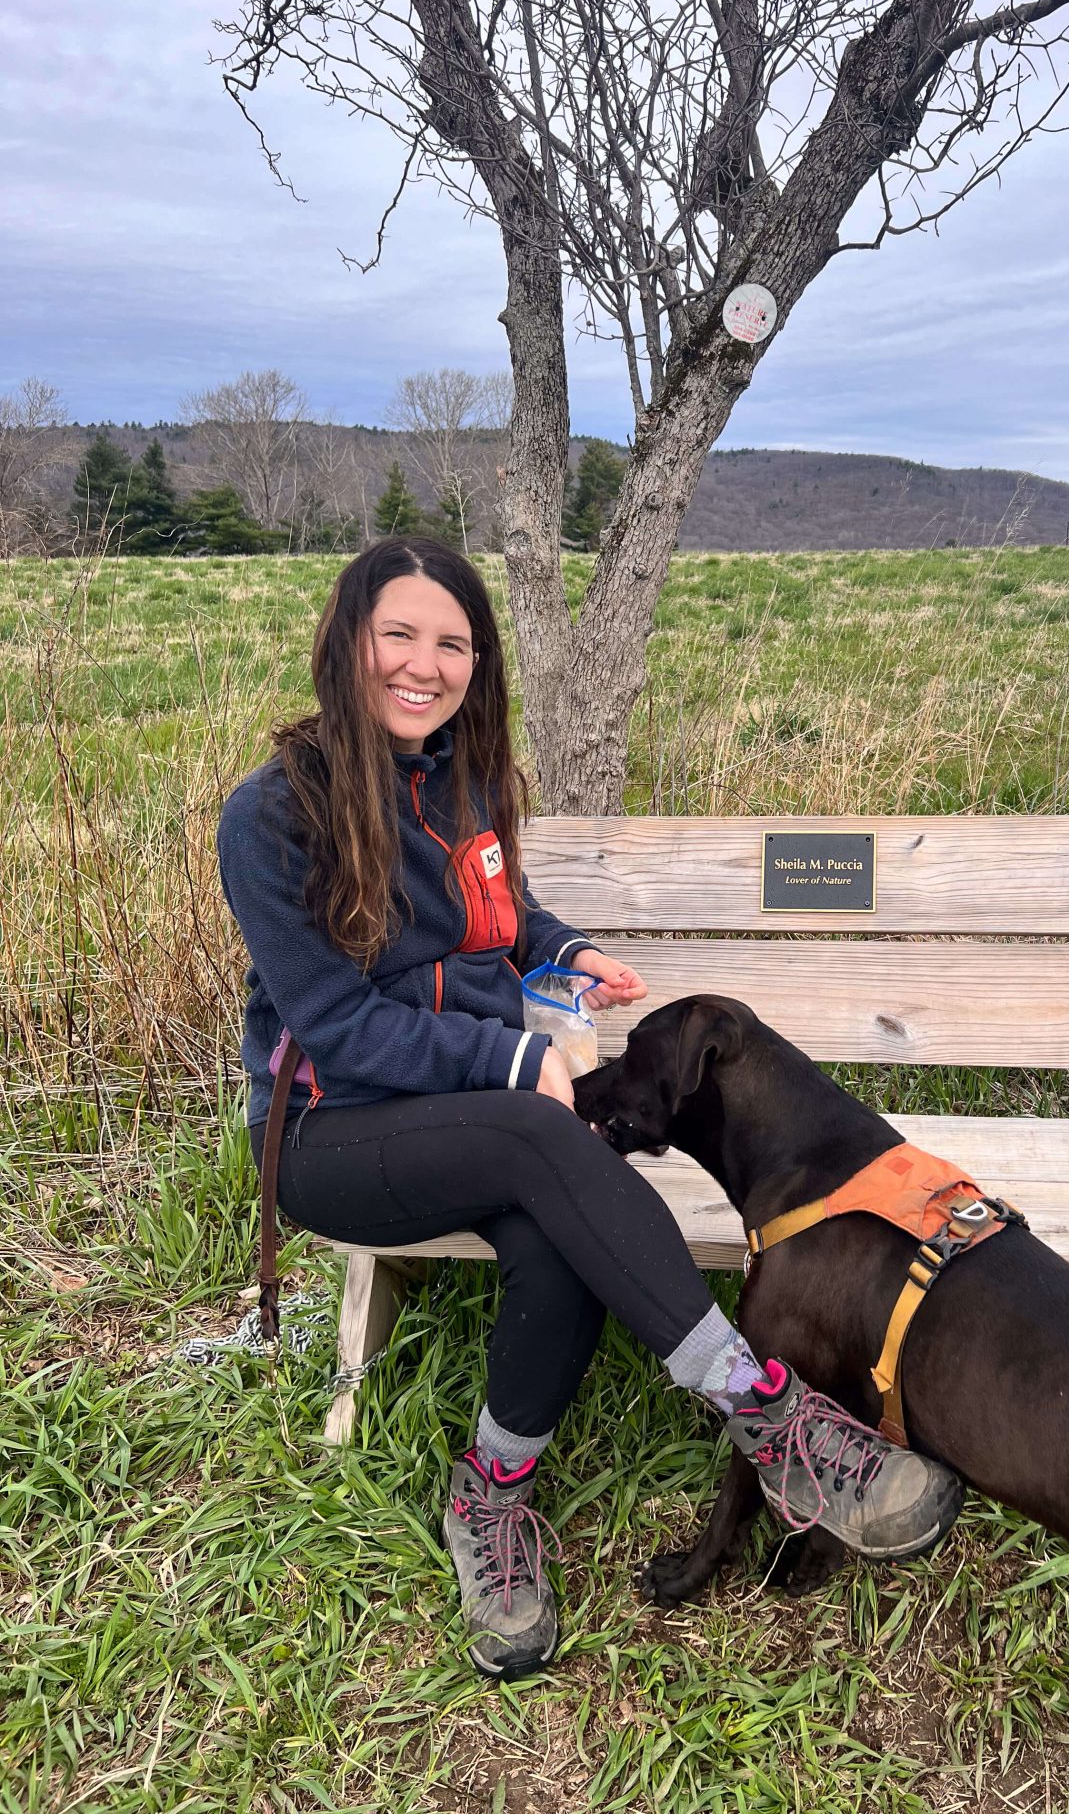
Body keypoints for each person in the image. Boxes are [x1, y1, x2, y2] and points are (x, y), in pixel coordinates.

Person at [217, 536, 962, 1679]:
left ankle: (491, 1499)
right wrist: (514, 1064)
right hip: (330, 1133)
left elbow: (503, 918)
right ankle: (772, 1420)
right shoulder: (270, 818)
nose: (426, 665)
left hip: (467, 1123)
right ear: (347, 642)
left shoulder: (460, 776)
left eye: (454, 642)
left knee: (557, 1236)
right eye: (400, 635)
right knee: (538, 1129)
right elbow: (340, 1029)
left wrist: (569, 948)